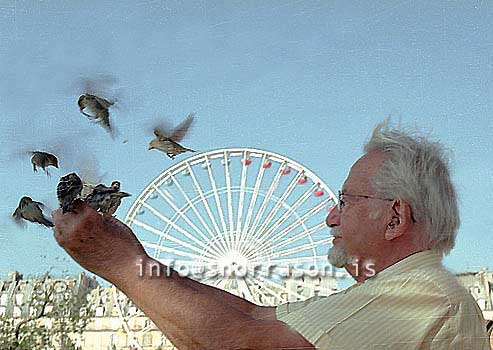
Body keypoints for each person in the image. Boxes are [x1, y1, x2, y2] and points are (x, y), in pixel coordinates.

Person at [52, 121, 490, 349]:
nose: (330, 218)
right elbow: (257, 319)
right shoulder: (410, 293)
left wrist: (119, 263)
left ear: (395, 219)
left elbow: (247, 343)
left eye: (345, 201)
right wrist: (132, 256)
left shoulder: (422, 299)